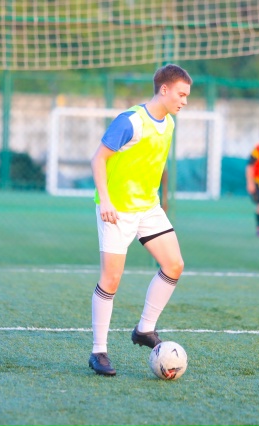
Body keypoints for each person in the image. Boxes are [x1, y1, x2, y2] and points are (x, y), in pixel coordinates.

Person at [88, 64, 192, 376]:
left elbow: (152, 163)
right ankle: (98, 352)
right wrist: (105, 200)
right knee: (111, 279)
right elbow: (98, 159)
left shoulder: (169, 123)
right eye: (181, 94)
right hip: (117, 209)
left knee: (174, 265)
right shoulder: (130, 121)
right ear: (164, 89)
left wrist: (158, 198)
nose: (184, 101)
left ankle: (144, 329)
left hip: (148, 208)